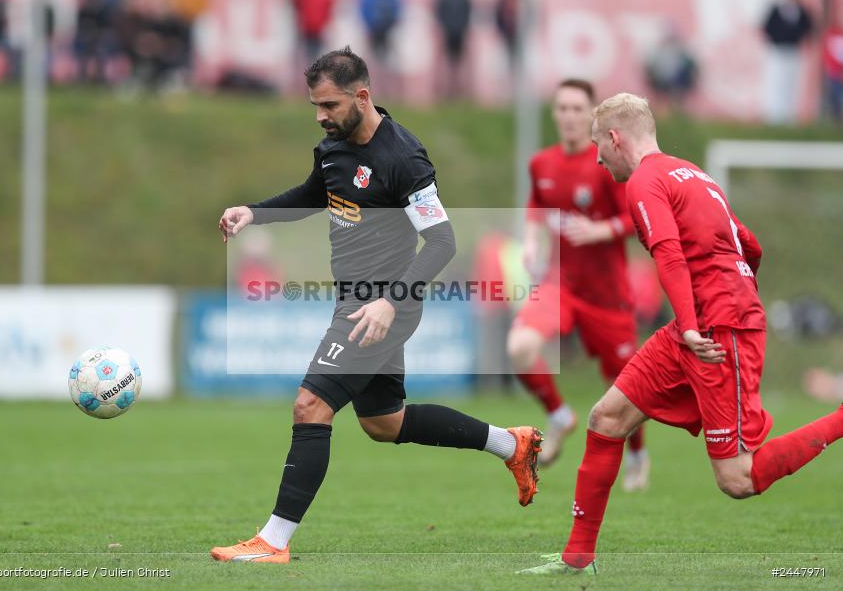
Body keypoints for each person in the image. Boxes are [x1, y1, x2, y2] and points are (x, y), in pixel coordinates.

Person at [212, 47, 543, 564]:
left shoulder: (405, 159)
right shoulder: (332, 148)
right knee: (384, 423)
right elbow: (312, 194)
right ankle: (510, 444)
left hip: (384, 306)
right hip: (358, 302)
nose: (320, 116)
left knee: (310, 406)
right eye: (315, 106)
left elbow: (441, 243)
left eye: (328, 105)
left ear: (361, 97)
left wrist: (391, 301)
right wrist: (251, 213)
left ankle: (272, 541)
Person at [521, 93, 843, 576]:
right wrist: (721, 298)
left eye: (597, 146)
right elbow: (748, 244)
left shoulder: (644, 182)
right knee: (607, 418)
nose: (596, 159)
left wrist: (703, 319)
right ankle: (577, 559)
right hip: (703, 321)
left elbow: (669, 253)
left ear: (615, 138)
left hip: (714, 329)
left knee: (738, 478)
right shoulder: (693, 174)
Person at [507, 79, 649, 491]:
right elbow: (536, 203)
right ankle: (558, 415)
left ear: (592, 116)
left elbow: (634, 218)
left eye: (576, 108)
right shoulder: (542, 164)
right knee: (520, 347)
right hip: (561, 285)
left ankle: (638, 456)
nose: (568, 116)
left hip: (608, 297)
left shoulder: (606, 163)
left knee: (624, 389)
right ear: (555, 113)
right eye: (562, 108)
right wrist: (532, 240)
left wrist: (600, 229)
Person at [762, 0, 813, 124]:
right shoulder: (776, 9)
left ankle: (789, 116)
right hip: (778, 50)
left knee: (791, 83)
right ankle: (774, 116)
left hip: (793, 51)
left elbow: (808, 28)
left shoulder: (801, 11)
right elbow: (767, 27)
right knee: (776, 82)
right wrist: (775, 41)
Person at [434, 0, 472, 98]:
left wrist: (463, 28)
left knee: (460, 64)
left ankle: (460, 90)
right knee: (446, 64)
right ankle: (446, 89)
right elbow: (439, 13)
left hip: (460, 33)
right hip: (447, 33)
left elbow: (467, 13)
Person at [290, 0, 333, 66]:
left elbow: (328, 6)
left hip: (316, 29)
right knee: (307, 55)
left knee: (313, 55)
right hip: (306, 28)